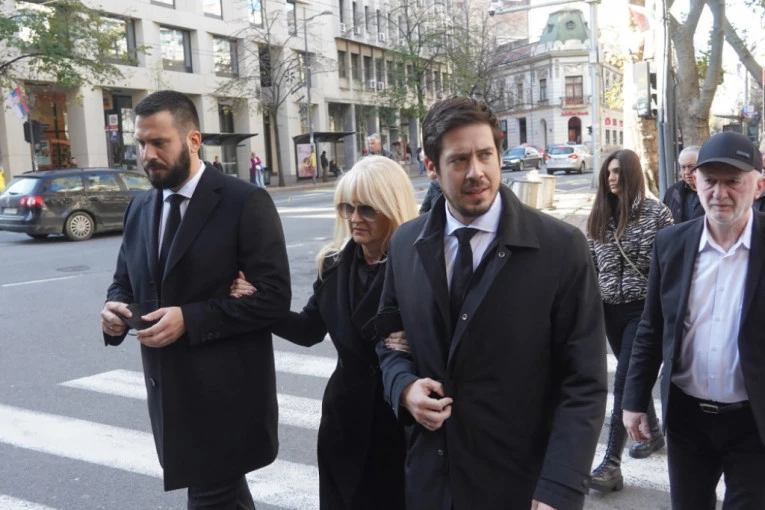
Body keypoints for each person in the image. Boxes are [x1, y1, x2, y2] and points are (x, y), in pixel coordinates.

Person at [375, 96, 607, 510]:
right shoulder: (406, 243)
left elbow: (584, 380)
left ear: (500, 156)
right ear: (431, 167)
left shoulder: (560, 247)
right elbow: (389, 341)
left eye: (485, 155)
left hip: (521, 487)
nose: (476, 172)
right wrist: (404, 388)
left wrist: (559, 486)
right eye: (459, 160)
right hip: (432, 484)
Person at [99, 90, 291, 509]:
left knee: (211, 497)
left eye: (159, 142)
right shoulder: (140, 207)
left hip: (224, 398)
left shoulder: (244, 201)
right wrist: (114, 314)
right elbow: (124, 283)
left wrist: (190, 318)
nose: (147, 154)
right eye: (141, 143)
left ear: (193, 140)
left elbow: (274, 299)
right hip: (169, 398)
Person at [230, 156, 417, 509]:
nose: (354, 218)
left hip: (399, 420)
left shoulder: (419, 265)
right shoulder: (333, 264)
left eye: (367, 209)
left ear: (393, 207)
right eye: (346, 207)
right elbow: (308, 330)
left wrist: (418, 342)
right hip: (343, 420)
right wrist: (257, 304)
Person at [623, 131, 765, 510]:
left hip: (754, 422)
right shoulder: (671, 243)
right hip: (687, 420)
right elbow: (651, 328)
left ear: (758, 186)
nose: (720, 193)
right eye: (710, 180)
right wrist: (634, 400)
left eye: (733, 181)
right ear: (695, 182)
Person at [586, 149, 674, 492]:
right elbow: (591, 266)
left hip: (645, 311)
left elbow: (670, 264)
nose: (612, 178)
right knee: (632, 373)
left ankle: (611, 464)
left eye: (619, 172)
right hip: (610, 311)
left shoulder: (657, 213)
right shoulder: (599, 215)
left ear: (632, 174)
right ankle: (653, 433)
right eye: (608, 172)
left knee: (623, 380)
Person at [663, 146, 704, 223]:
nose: (687, 172)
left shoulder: (713, 191)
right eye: (683, 167)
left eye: (691, 167)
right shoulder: (672, 192)